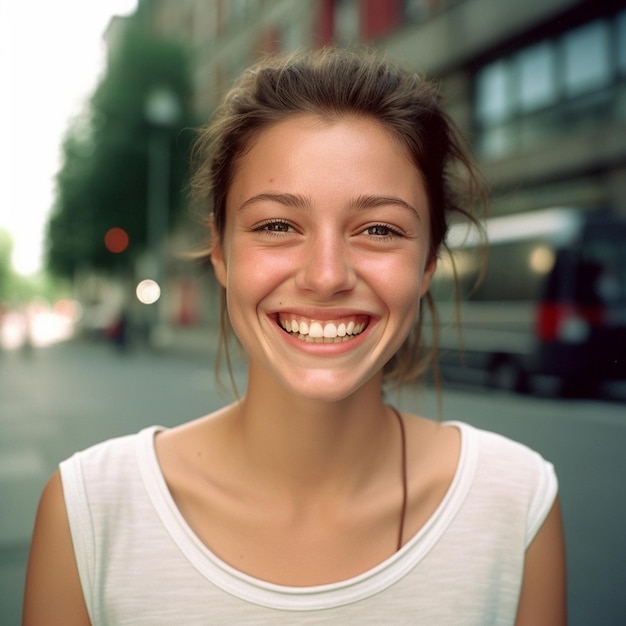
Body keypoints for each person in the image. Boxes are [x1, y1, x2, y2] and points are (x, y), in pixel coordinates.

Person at [23, 47, 566, 625]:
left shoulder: (516, 501)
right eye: (277, 225)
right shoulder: (91, 511)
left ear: (429, 263)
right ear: (220, 252)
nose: (326, 275)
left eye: (379, 229)